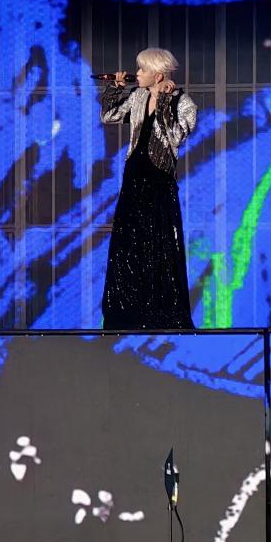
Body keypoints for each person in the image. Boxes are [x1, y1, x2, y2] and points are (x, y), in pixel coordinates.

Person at [98, 48, 198, 331]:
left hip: (159, 181)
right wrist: (115, 88)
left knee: (159, 245)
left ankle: (162, 314)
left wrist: (164, 101)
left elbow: (175, 136)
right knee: (127, 246)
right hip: (134, 177)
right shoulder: (138, 96)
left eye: (142, 69)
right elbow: (109, 116)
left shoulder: (184, 103)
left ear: (158, 74)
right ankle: (125, 314)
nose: (137, 74)